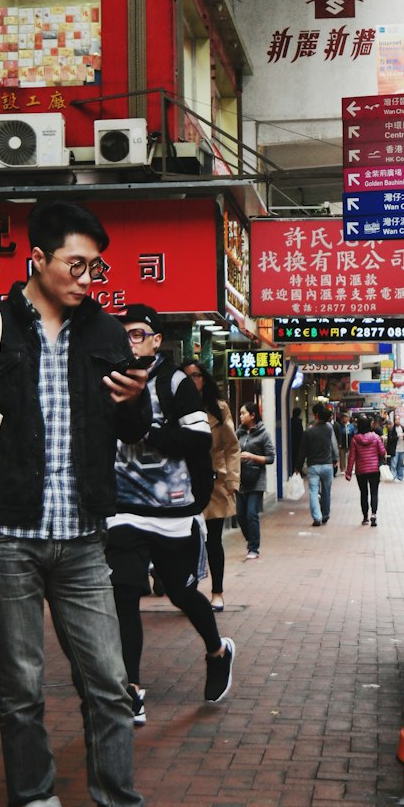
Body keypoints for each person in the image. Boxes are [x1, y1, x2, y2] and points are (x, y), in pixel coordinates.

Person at [0, 201, 192, 807]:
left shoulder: (105, 330)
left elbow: (131, 426)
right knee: (20, 688)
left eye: (96, 266)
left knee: (109, 683)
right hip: (11, 539)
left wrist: (137, 394)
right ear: (37, 262)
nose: (88, 277)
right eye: (76, 265)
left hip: (82, 539)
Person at [105, 308, 235, 725]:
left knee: (180, 593)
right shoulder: (109, 379)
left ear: (156, 341)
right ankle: (131, 690)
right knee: (124, 594)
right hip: (123, 509)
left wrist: (147, 431)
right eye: (123, 335)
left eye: (139, 334)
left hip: (173, 509)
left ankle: (217, 651)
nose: (131, 341)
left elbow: (198, 436)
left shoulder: (173, 382)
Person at [182, 359, 240, 611]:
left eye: (195, 375)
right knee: (187, 541)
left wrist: (232, 480)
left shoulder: (219, 408)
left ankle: (217, 592)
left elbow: (232, 446)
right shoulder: (173, 408)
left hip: (215, 483)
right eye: (186, 377)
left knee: (213, 541)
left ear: (204, 378)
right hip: (184, 484)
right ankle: (191, 595)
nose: (191, 381)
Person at [235, 401, 275, 560]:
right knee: (240, 515)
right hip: (240, 479)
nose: (241, 416)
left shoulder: (264, 434)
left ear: (252, 415)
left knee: (251, 513)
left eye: (243, 413)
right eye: (240, 413)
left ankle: (254, 548)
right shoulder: (239, 433)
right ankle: (251, 539)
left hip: (257, 479)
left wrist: (251, 456)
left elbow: (271, 458)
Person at [296, 400, 338, 527]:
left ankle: (317, 517)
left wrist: (298, 467)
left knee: (313, 492)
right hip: (327, 465)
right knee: (326, 491)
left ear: (316, 416)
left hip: (313, 466)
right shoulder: (329, 429)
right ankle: (325, 514)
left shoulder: (308, 432)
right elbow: (333, 445)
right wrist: (335, 459)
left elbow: (302, 451)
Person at [346, 413, 387, 526]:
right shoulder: (375, 437)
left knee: (364, 493)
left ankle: (365, 518)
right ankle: (373, 514)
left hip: (361, 471)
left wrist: (348, 472)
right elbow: (383, 452)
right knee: (374, 492)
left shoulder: (355, 439)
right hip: (374, 470)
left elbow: (352, 457)